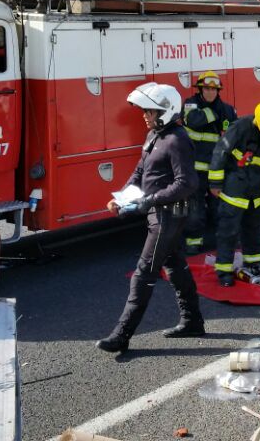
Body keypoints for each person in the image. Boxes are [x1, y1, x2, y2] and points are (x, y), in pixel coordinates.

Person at [96, 83, 204, 353]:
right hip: (159, 214)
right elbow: (139, 173)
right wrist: (121, 198)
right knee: (176, 267)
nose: (145, 115)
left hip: (168, 216)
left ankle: (122, 335)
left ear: (165, 111)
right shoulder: (155, 136)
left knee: (143, 274)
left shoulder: (177, 140)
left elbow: (187, 183)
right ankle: (193, 322)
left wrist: (149, 200)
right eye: (145, 110)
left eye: (150, 111)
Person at [209, 102, 260, 287]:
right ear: (258, 124)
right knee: (228, 231)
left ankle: (253, 263)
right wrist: (215, 183)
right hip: (235, 188)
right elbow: (221, 151)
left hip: (258, 189)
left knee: (255, 229)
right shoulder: (241, 127)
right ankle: (224, 271)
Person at [181, 71, 237, 255]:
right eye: (207, 88)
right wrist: (214, 113)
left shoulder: (228, 110)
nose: (210, 92)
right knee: (194, 210)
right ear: (200, 89)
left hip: (217, 170)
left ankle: (224, 240)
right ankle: (194, 242)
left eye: (214, 89)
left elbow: (234, 136)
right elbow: (193, 120)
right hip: (194, 169)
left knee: (219, 208)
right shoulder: (190, 104)